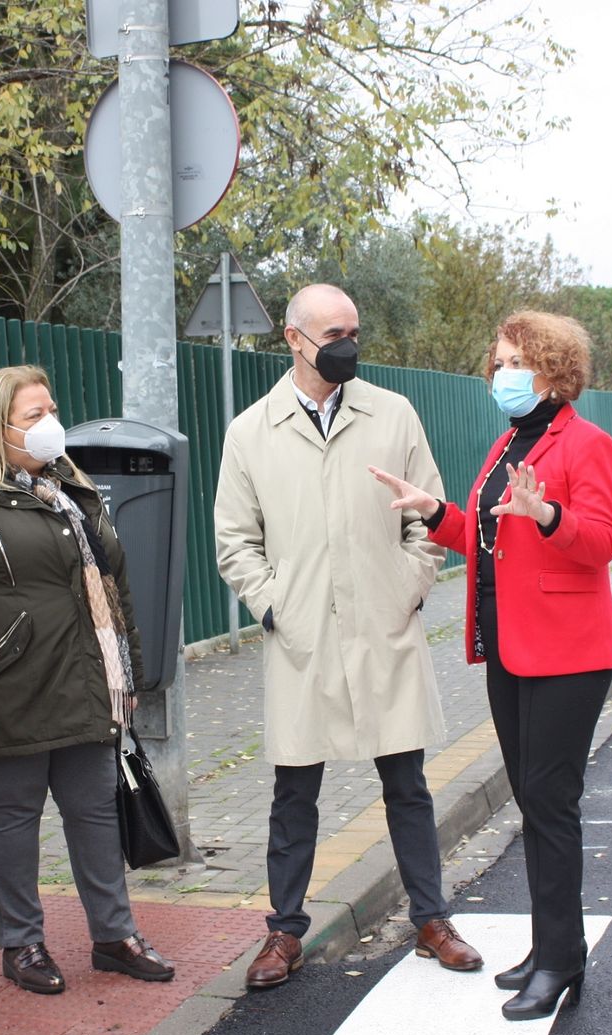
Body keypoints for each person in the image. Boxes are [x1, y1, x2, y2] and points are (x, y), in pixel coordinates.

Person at [214, 283, 484, 990]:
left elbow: (430, 516)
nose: (348, 345)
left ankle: (432, 917)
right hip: (303, 638)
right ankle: (283, 931)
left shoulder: (392, 414)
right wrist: (276, 606)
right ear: (295, 341)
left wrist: (407, 587)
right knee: (293, 790)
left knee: (408, 782)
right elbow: (235, 542)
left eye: (354, 331)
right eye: (334, 333)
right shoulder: (251, 431)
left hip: (383, 629)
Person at [371, 310, 612, 1021]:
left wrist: (548, 518)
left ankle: (563, 960)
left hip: (569, 655)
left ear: (551, 368)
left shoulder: (587, 444)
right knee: (532, 802)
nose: (501, 374)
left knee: (550, 802)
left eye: (514, 361)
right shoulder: (510, 441)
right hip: (509, 650)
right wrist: (435, 511)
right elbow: (487, 540)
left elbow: (600, 542)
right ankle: (551, 950)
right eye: (498, 362)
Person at [0, 365, 175, 995]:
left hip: (86, 682)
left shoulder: (69, 489)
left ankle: (114, 935)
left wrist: (127, 671)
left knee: (94, 813)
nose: (50, 422)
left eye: (50, 409)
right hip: (8, 690)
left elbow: (114, 587)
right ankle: (21, 943)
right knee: (11, 815)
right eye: (34, 416)